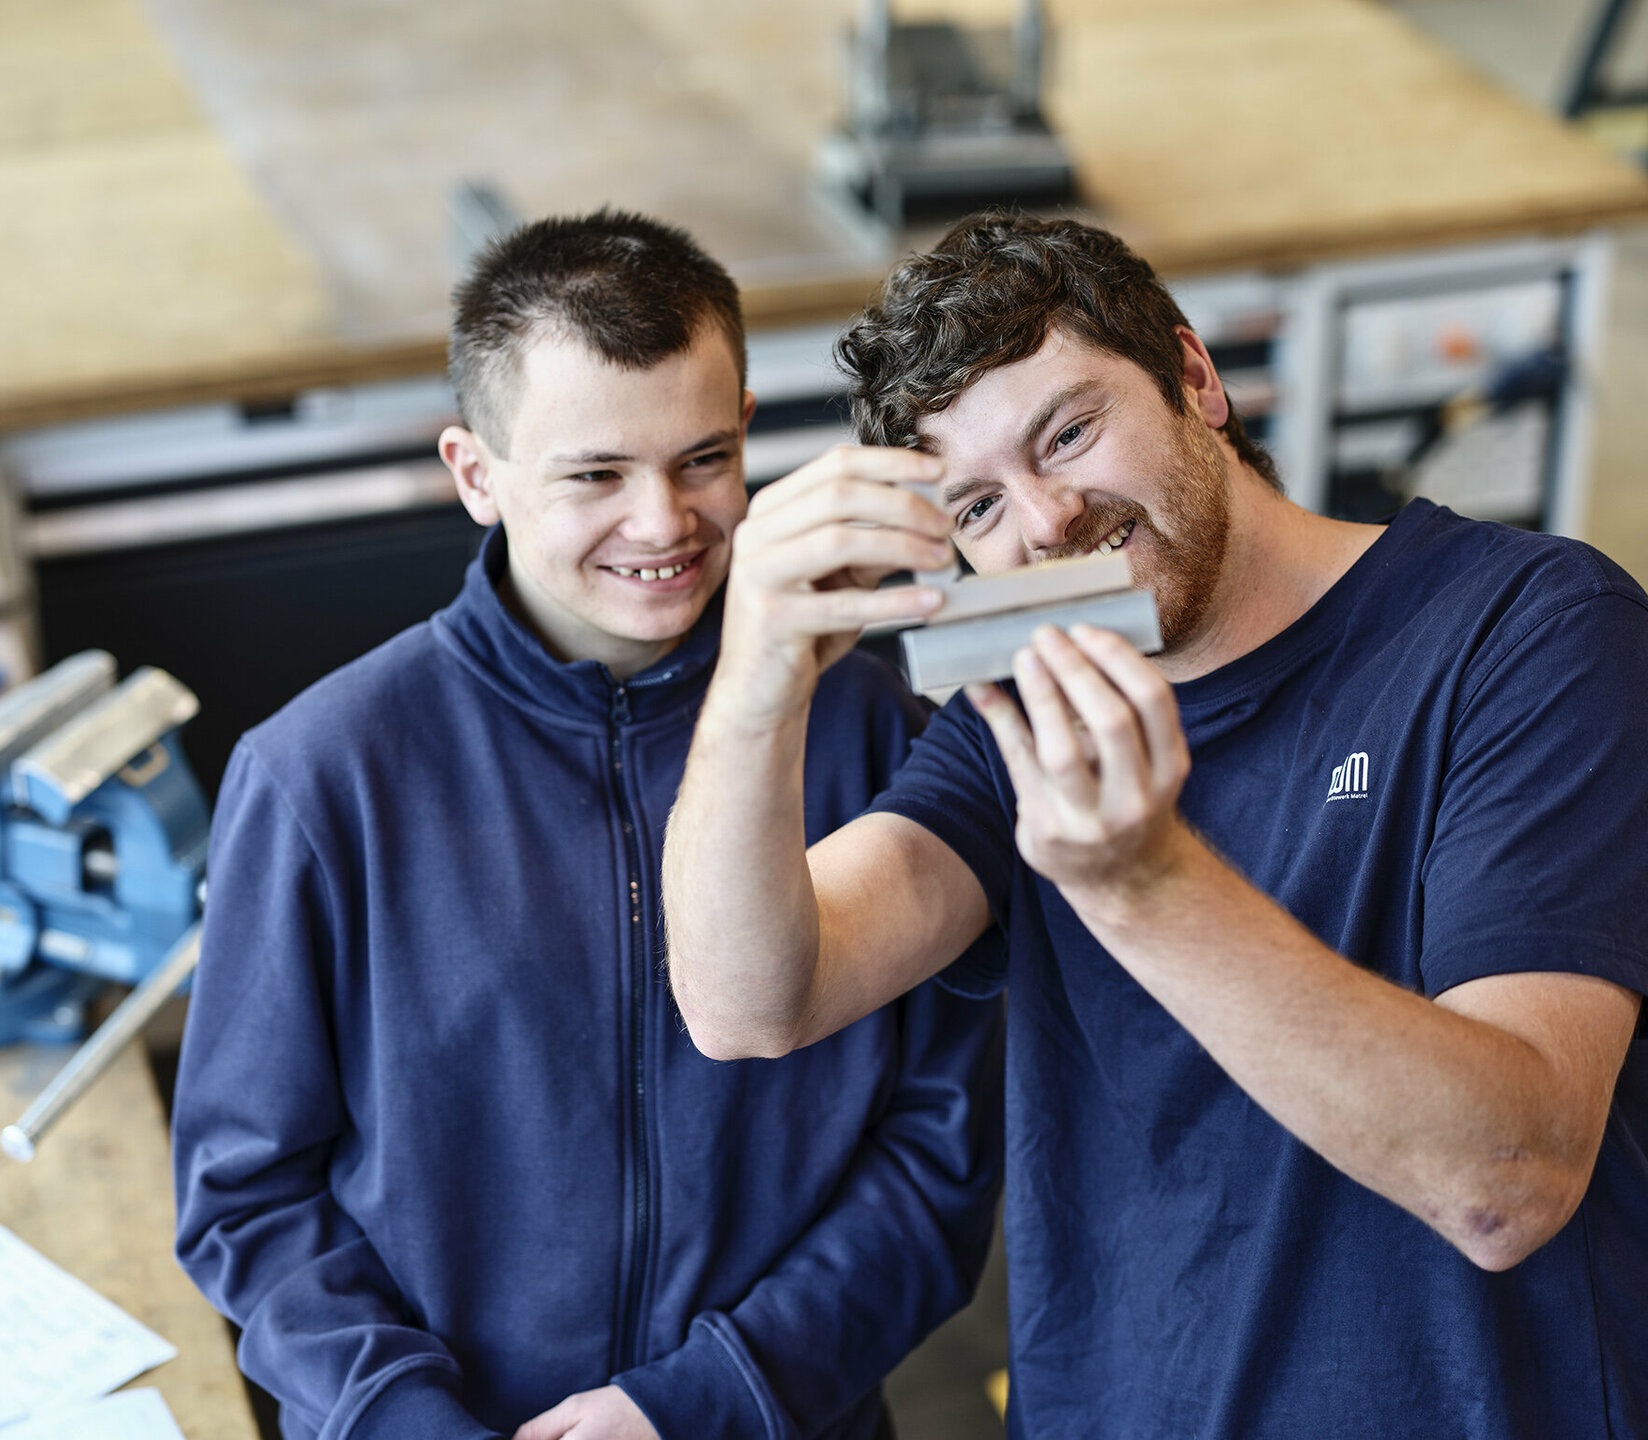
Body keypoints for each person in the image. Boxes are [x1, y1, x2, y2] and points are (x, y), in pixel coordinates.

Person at [664, 212, 1648, 1439]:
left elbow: (1507, 1180)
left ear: (1196, 377)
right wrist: (756, 678)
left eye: (1069, 432)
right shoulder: (1024, 712)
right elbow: (750, 1000)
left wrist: (1145, 885)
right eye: (977, 508)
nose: (1046, 521)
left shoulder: (1526, 633)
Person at [170, 210, 1003, 1440]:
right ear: (475, 474)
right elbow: (246, 1199)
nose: (663, 523)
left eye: (703, 459)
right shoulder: (322, 778)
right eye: (596, 475)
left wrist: (711, 1398)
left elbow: (942, 1150)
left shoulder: (877, 736)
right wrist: (405, 1416)